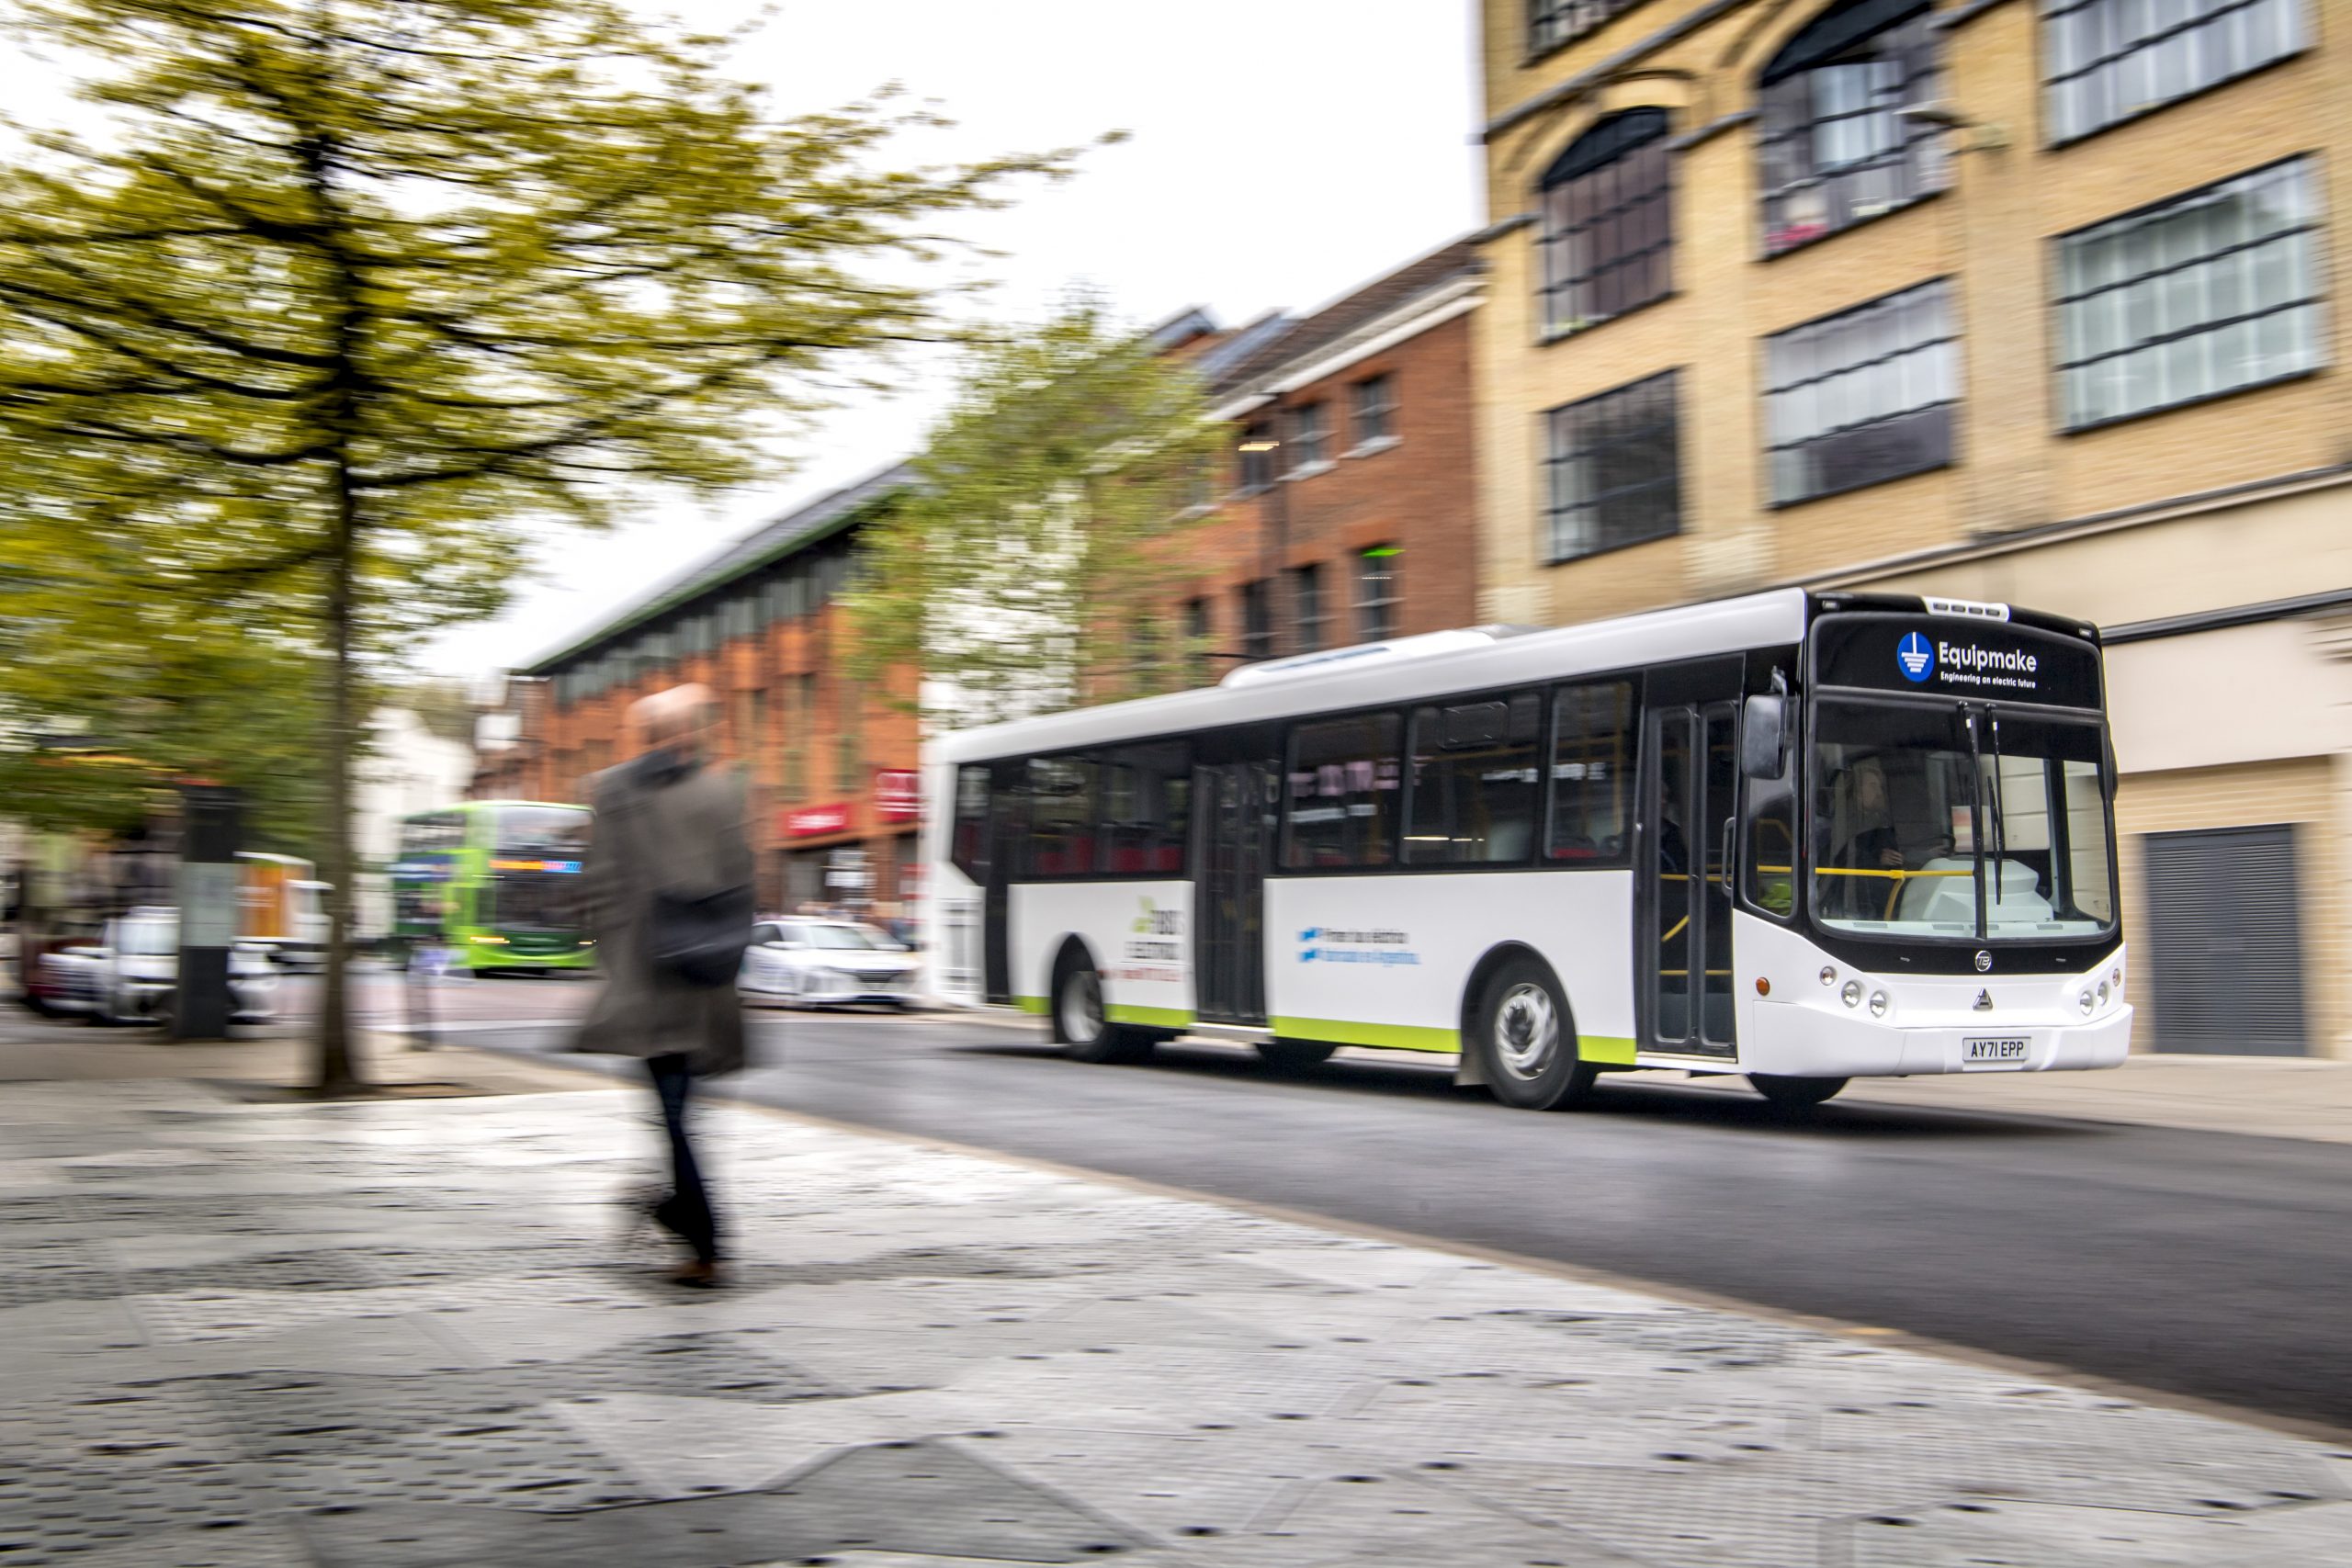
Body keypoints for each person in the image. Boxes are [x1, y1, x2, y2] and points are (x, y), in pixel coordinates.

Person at [574, 684, 752, 1287]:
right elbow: (604, 886)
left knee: (674, 1111)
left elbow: (737, 880)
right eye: (677, 728)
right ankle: (693, 1226)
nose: (685, 737)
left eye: (690, 727)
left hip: (680, 980)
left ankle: (690, 1225)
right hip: (672, 979)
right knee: (674, 1110)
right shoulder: (640, 791)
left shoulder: (687, 791)